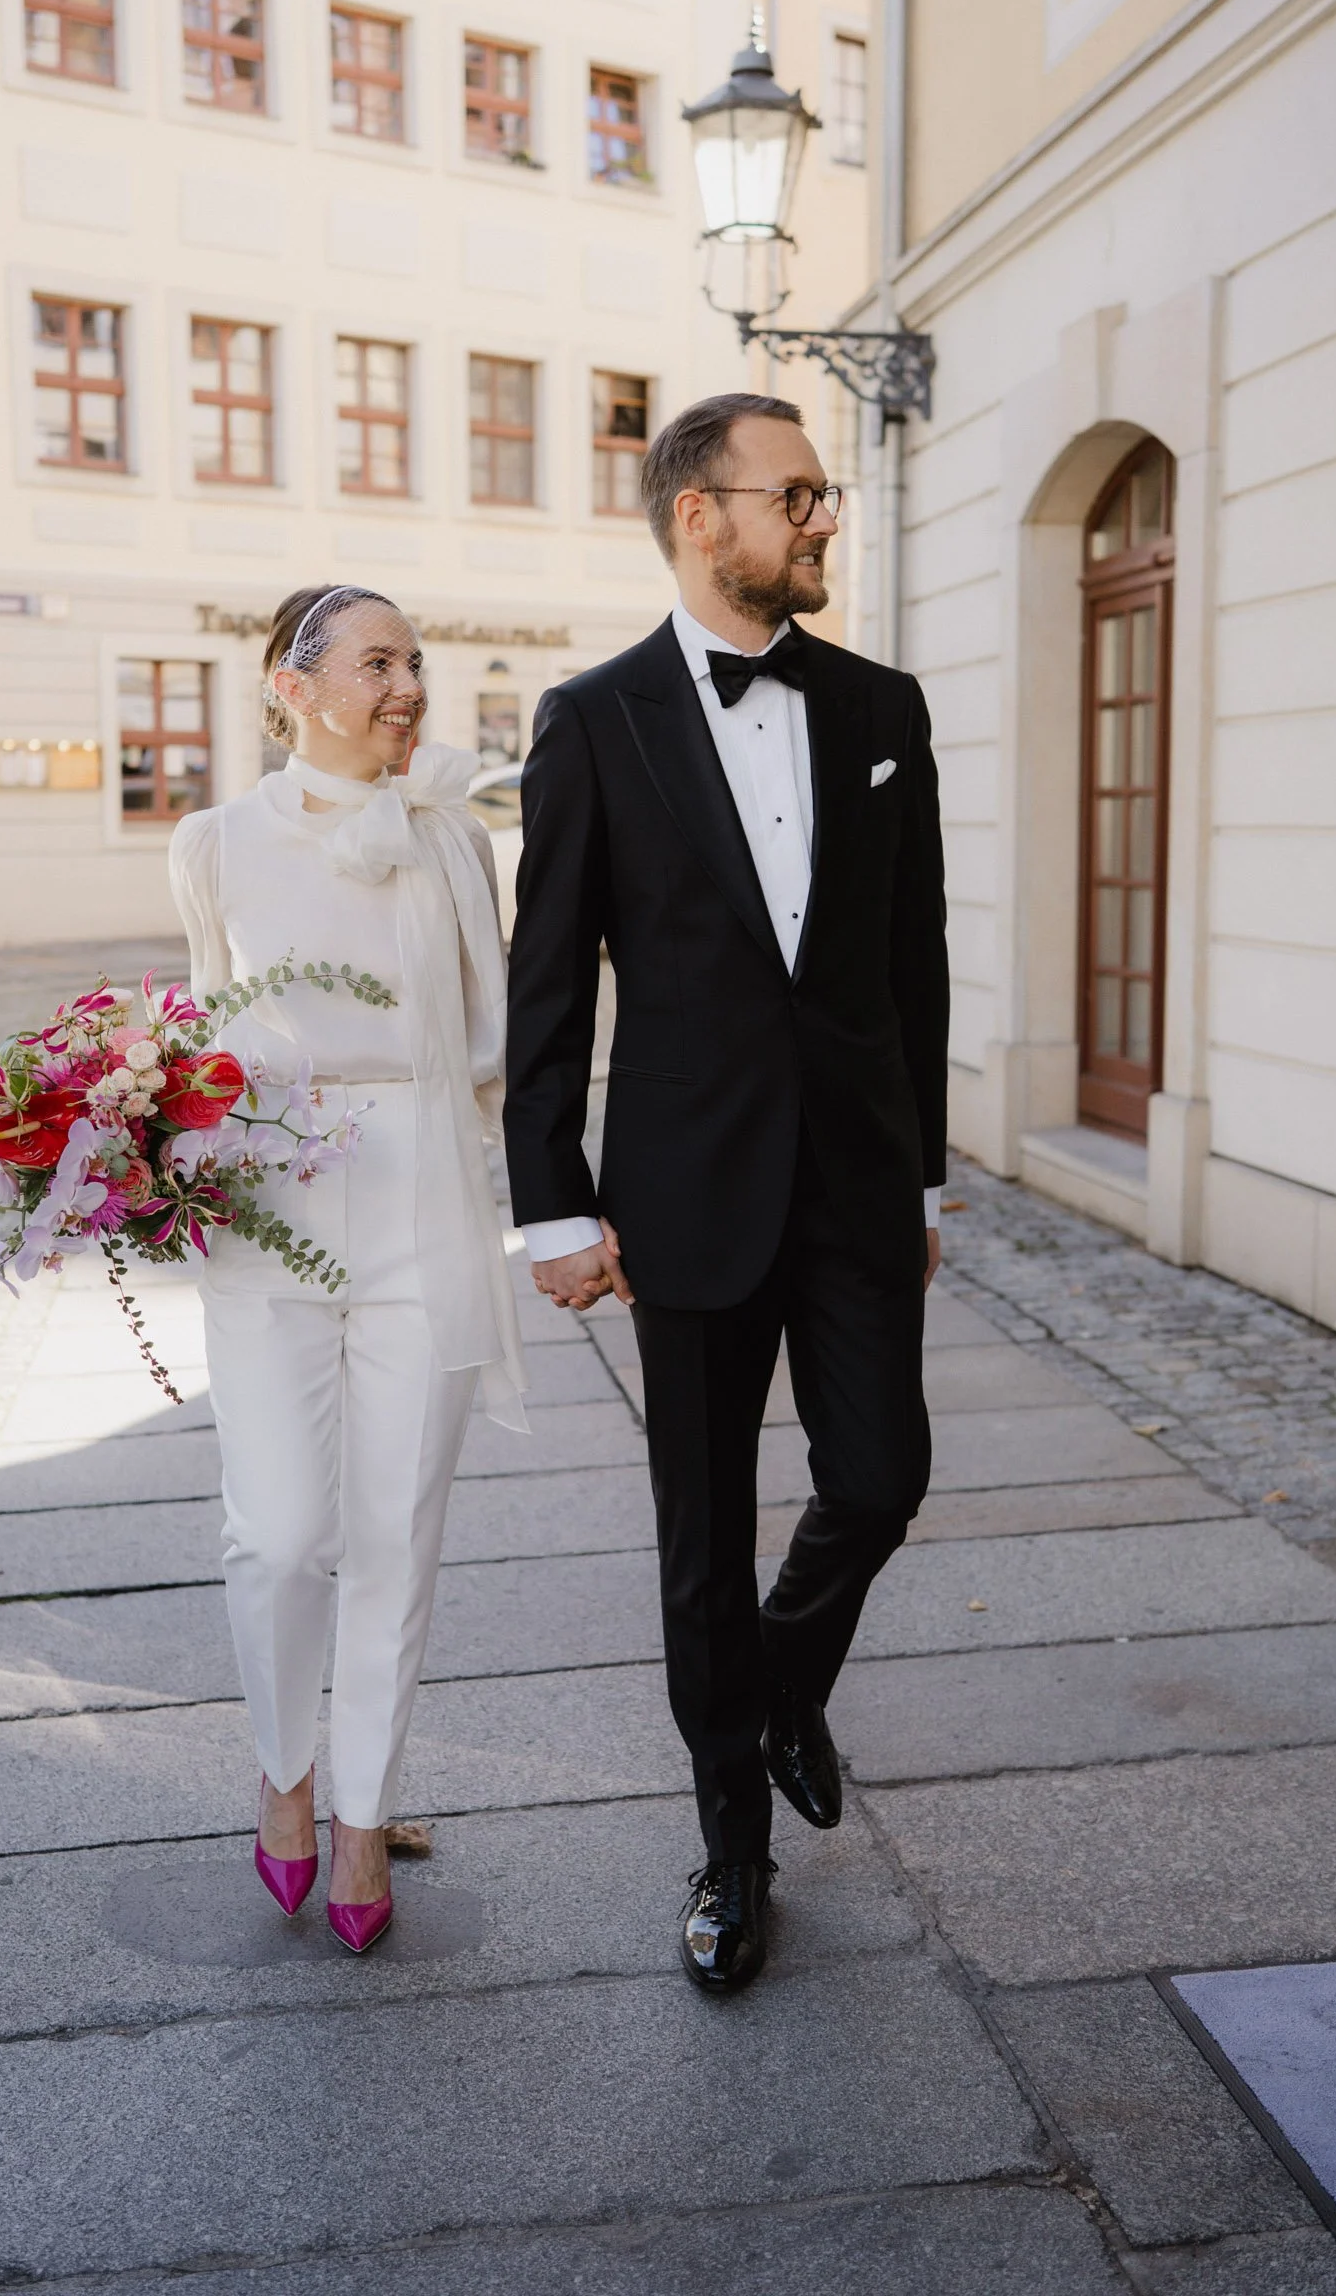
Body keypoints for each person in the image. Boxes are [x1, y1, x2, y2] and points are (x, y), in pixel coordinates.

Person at [504, 394, 948, 1991]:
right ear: (704, 514)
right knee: (698, 1543)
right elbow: (546, 986)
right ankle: (730, 1858)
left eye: (822, 495)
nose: (822, 518)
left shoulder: (885, 704)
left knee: (883, 1477)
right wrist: (550, 1206)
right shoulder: (592, 715)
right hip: (681, 1197)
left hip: (853, 1188)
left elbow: (916, 971)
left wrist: (925, 1177)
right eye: (798, 494)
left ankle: (777, 1687)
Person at [169, 584, 526, 1953]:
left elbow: (497, 1037)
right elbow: (207, 1017)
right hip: (268, 1201)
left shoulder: (453, 838)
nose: (409, 686)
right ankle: (284, 1771)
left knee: (394, 1530)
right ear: (292, 687)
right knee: (279, 1532)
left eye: (418, 663)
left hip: (422, 1190)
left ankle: (365, 1809)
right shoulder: (210, 845)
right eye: (380, 662)